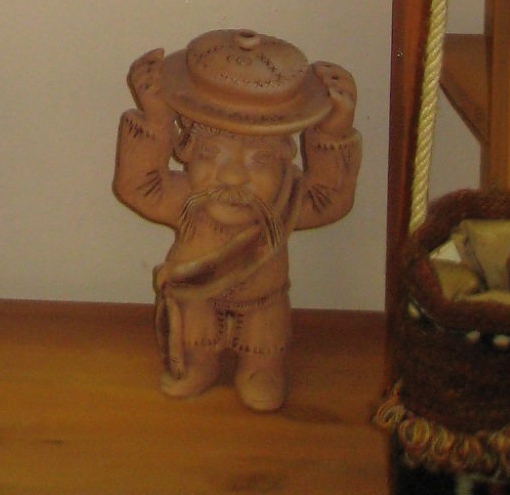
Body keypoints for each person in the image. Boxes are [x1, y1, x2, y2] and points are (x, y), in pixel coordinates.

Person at [113, 29, 361, 412]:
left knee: (265, 334)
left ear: (283, 162)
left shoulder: (286, 199)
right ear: (189, 152)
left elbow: (328, 199)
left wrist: (333, 131)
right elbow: (139, 186)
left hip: (263, 300)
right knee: (195, 330)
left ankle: (261, 369)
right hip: (197, 298)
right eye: (211, 153)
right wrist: (157, 119)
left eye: (259, 160)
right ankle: (199, 363)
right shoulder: (187, 200)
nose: (232, 177)